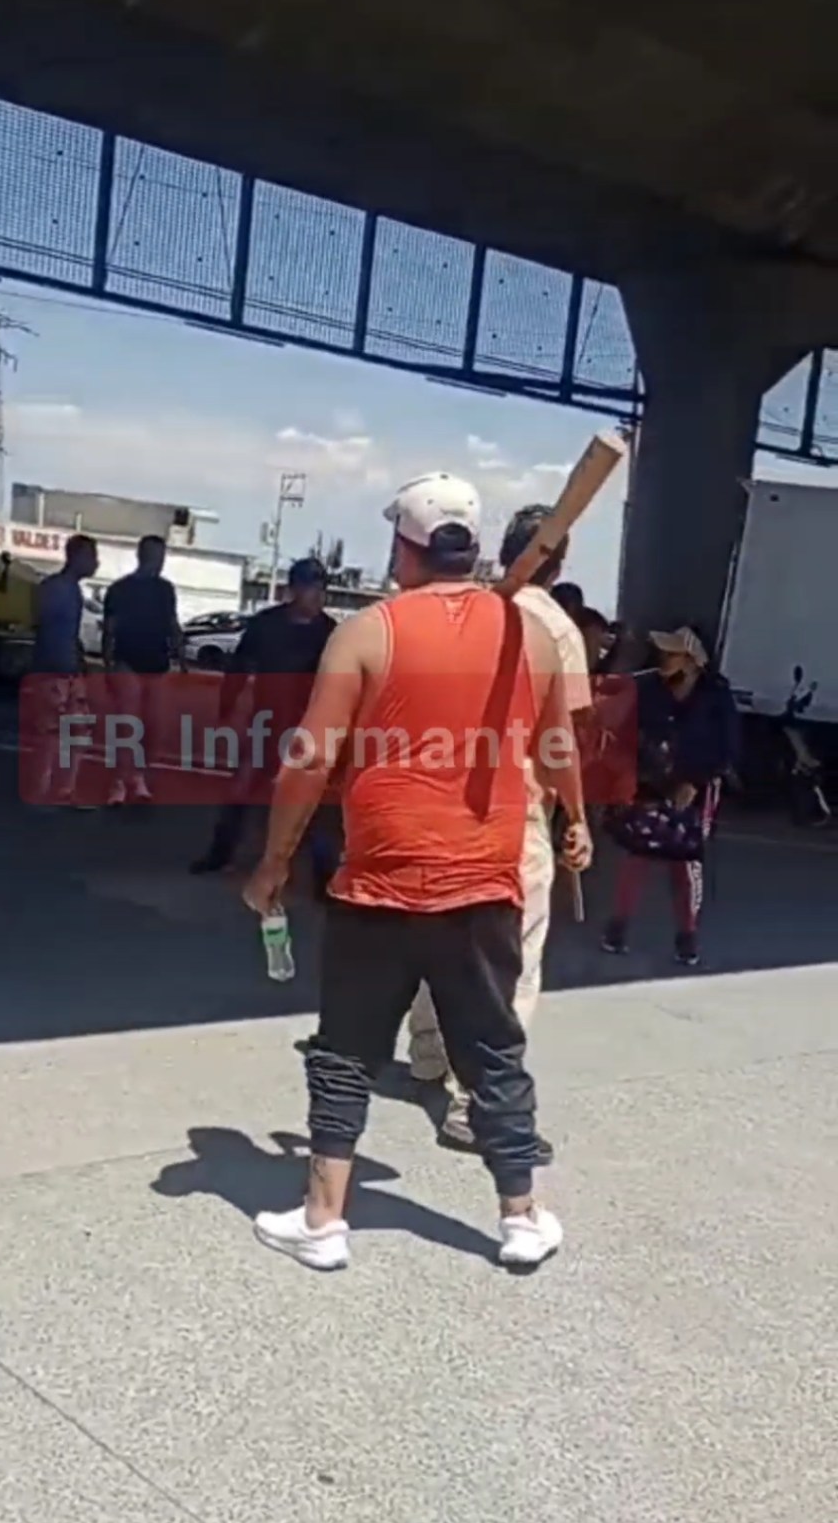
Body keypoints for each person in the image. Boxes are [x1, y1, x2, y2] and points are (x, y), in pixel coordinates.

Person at [243, 472, 591, 1275]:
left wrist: (274, 861)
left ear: (405, 546)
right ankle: (521, 1215)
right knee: (494, 1049)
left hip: (381, 884)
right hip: (483, 885)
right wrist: (576, 821)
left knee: (346, 1050)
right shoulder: (528, 636)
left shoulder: (368, 633)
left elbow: (309, 758)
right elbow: (559, 745)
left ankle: (324, 1219)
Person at [408, 501, 593, 1146]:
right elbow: (560, 738)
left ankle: (429, 1052)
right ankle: (478, 1100)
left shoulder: (466, 611)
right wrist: (576, 812)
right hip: (514, 813)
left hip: (443, 800)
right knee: (511, 959)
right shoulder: (555, 630)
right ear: (559, 560)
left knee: (445, 936)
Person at [191, 557, 338, 893]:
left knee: (309, 805)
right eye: (310, 588)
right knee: (240, 790)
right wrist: (226, 705)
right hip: (265, 722)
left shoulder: (330, 634)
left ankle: (324, 878)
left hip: (306, 729)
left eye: (321, 589)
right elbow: (240, 667)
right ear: (294, 590)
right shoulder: (266, 625)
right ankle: (219, 854)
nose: (317, 596)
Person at [602, 625, 739, 967]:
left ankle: (687, 936)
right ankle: (616, 929)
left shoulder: (716, 695)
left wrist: (695, 780)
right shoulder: (647, 689)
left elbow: (727, 746)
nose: (665, 658)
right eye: (664, 651)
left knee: (685, 863)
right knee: (637, 855)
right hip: (650, 783)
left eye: (673, 652)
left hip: (696, 787)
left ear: (692, 661)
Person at [102, 535, 183, 805]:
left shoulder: (165, 590)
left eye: (160, 557)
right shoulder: (120, 589)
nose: (157, 562)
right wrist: (109, 662)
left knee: (156, 726)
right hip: (128, 660)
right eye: (153, 556)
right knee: (127, 725)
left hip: (157, 663)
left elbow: (173, 624)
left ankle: (137, 776)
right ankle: (118, 781)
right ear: (141, 555)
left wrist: (180, 658)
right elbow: (110, 628)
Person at [31, 532, 99, 807]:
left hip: (66, 672)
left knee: (73, 733)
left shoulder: (68, 589)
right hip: (54, 673)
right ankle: (45, 790)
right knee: (53, 735)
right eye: (93, 557)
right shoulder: (58, 589)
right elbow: (45, 629)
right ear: (79, 557)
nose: (96, 564)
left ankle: (58, 790)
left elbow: (65, 633)